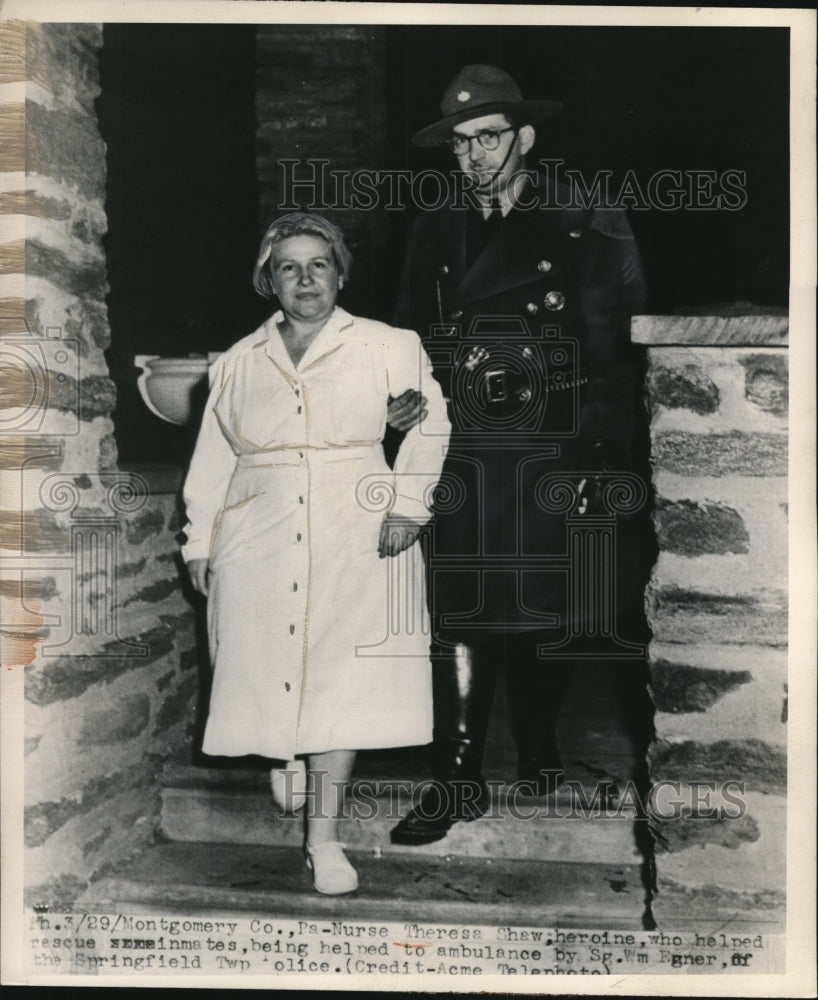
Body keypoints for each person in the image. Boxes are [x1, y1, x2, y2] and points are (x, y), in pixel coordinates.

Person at [390, 65, 647, 845]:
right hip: (463, 443)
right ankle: (456, 779)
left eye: (490, 137)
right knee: (459, 605)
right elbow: (409, 335)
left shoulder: (585, 216)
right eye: (462, 143)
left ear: (525, 138)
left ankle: (539, 755)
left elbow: (617, 345)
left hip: (554, 443)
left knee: (546, 601)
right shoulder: (435, 226)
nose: (474, 156)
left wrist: (598, 456)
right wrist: (400, 406)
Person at [181, 212, 450, 892]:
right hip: (257, 528)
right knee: (263, 654)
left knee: (340, 676)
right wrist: (199, 543)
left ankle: (323, 841)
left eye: (318, 265)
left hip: (351, 519)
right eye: (289, 267)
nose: (306, 280)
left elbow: (431, 425)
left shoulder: (388, 346)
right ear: (268, 280)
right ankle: (286, 750)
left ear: (340, 273)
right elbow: (211, 462)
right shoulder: (236, 362)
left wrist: (408, 507)